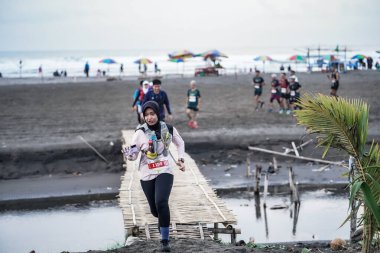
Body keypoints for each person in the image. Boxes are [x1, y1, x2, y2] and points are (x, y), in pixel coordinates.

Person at [122, 101, 185, 252]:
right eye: (147, 115)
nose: (150, 117)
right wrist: (129, 155)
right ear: (143, 116)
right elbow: (133, 155)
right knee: (155, 210)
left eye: (152, 114)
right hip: (146, 173)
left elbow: (180, 143)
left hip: (165, 170)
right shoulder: (139, 133)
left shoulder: (168, 128)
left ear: (158, 114)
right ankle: (161, 220)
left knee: (161, 201)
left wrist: (181, 159)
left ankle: (165, 241)